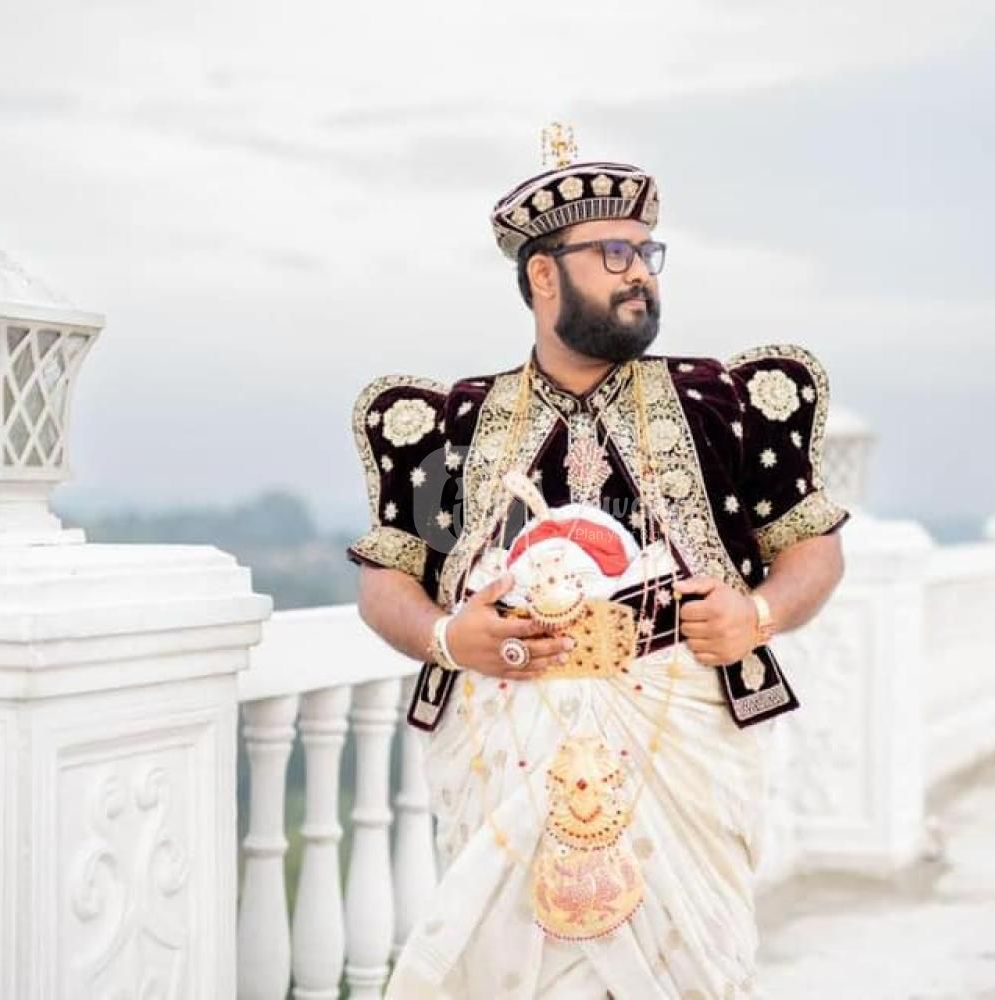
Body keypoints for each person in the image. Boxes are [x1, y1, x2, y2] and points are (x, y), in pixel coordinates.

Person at [347, 125, 849, 999]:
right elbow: (387, 579)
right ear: (544, 275)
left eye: (648, 252)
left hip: (683, 753)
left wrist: (758, 615)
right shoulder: (454, 424)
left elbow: (814, 549)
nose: (640, 272)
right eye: (614, 252)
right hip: (504, 752)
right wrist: (445, 638)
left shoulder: (723, 404)